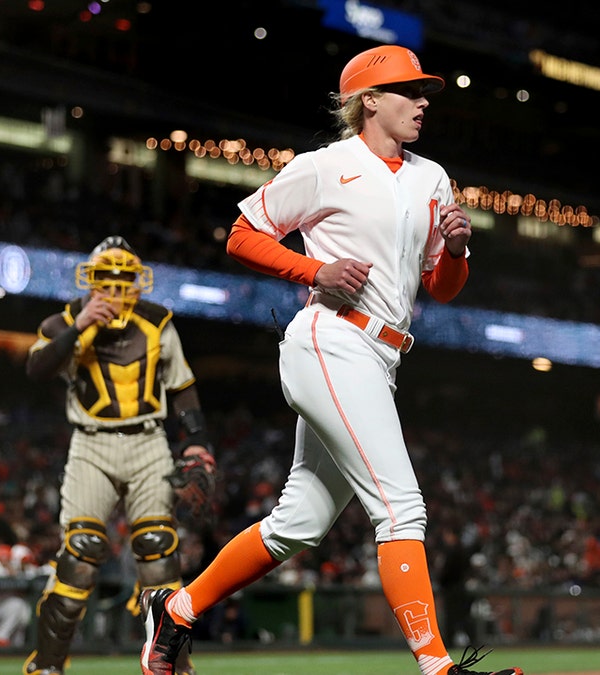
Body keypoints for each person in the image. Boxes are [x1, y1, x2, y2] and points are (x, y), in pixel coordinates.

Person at [138, 45, 523, 675]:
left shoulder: (431, 177)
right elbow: (241, 233)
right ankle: (436, 667)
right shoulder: (325, 165)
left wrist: (455, 250)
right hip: (330, 339)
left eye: (426, 92)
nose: (424, 102)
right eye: (410, 91)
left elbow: (442, 287)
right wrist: (314, 268)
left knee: (300, 523)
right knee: (402, 507)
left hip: (383, 353)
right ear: (369, 99)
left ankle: (177, 609)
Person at [22, 235, 214, 675]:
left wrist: (198, 441)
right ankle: (47, 666)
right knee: (81, 550)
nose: (113, 290)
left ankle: (175, 667)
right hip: (91, 442)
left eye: (123, 280)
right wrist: (80, 326)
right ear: (90, 284)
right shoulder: (64, 321)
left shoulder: (159, 323)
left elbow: (182, 387)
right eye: (105, 281)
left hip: (149, 441)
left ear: (137, 284)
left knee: (159, 551)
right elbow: (35, 368)